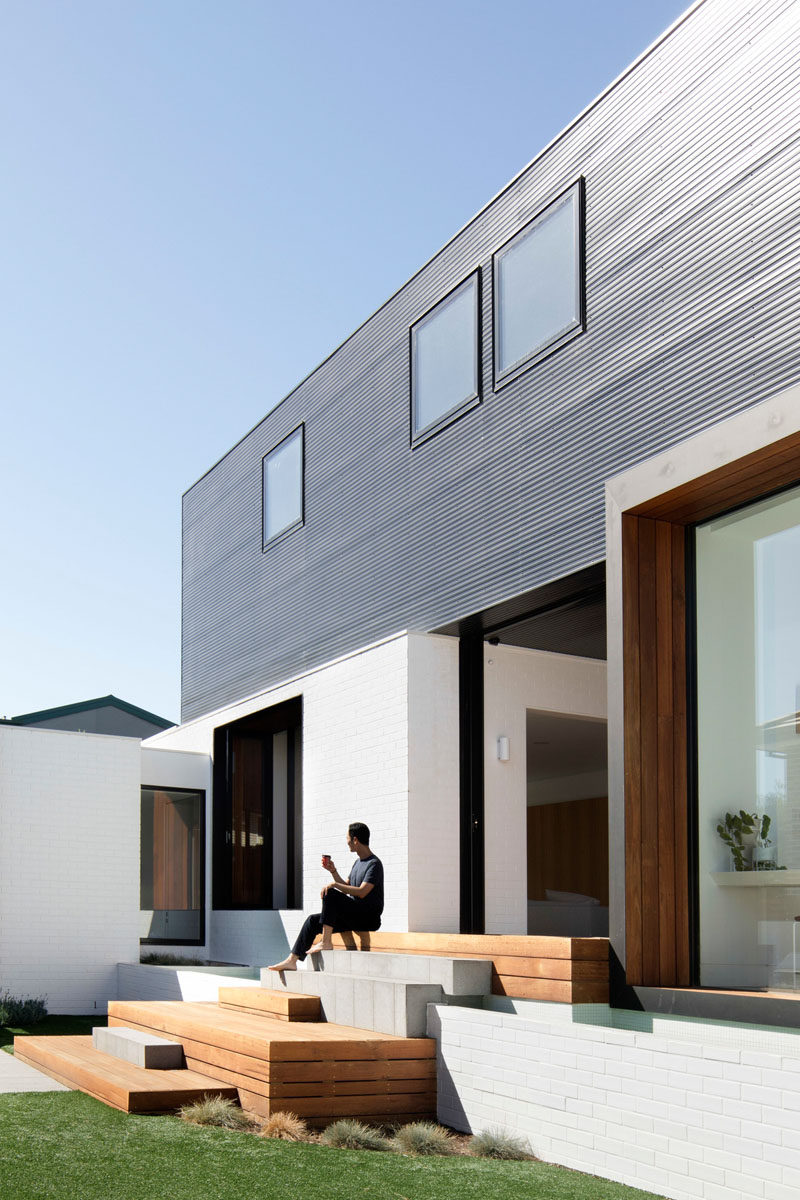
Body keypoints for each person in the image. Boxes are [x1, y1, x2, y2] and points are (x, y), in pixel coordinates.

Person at [268, 821, 383, 970]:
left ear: (355, 840)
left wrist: (334, 885)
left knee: (331, 893)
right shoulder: (357, 863)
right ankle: (292, 960)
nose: (347, 842)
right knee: (312, 921)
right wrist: (333, 872)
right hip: (354, 916)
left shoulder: (374, 864)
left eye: (347, 838)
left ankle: (326, 941)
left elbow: (362, 892)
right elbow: (347, 887)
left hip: (368, 918)